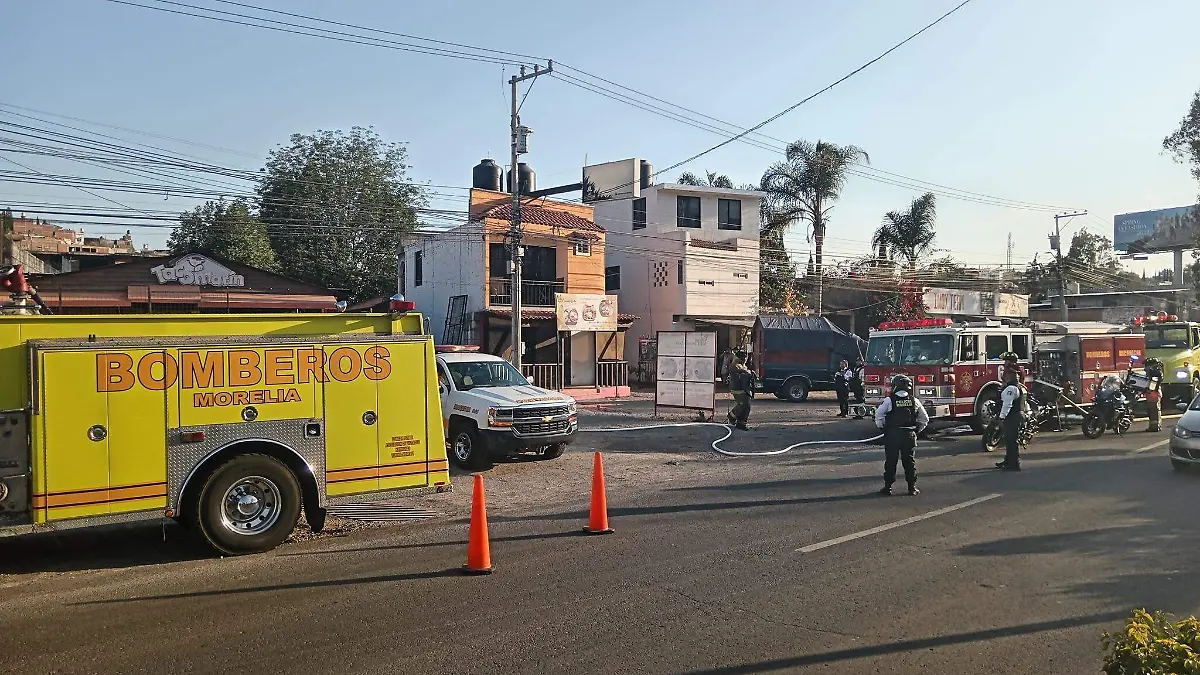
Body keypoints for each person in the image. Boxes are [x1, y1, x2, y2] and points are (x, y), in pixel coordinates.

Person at [874, 375, 929, 495]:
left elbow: (879, 415)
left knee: (891, 462)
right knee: (909, 462)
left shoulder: (889, 400)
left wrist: (883, 428)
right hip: (909, 435)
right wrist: (917, 430)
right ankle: (912, 488)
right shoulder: (914, 400)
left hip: (893, 435)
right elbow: (924, 418)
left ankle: (887, 488)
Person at [996, 366, 1029, 471]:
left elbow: (1007, 404)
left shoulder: (1011, 389)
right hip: (1019, 415)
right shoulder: (1020, 387)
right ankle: (1009, 461)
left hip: (1012, 417)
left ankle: (1013, 464)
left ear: (1009, 376)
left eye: (1005, 375)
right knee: (1011, 440)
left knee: (1011, 441)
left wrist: (1001, 417)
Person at [726, 349, 754, 431]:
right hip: (737, 389)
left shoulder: (743, 365)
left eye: (746, 357)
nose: (746, 359)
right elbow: (737, 370)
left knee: (747, 406)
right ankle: (731, 416)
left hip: (744, 389)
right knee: (743, 404)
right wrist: (746, 372)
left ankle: (741, 424)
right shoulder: (735, 365)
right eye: (744, 357)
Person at [1144, 357, 1164, 432]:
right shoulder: (1156, 372)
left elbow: (1153, 384)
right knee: (1152, 410)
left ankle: (1155, 426)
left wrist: (1150, 389)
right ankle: (1155, 425)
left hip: (1153, 393)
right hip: (1153, 392)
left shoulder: (1155, 372)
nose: (1145, 368)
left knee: (1154, 410)